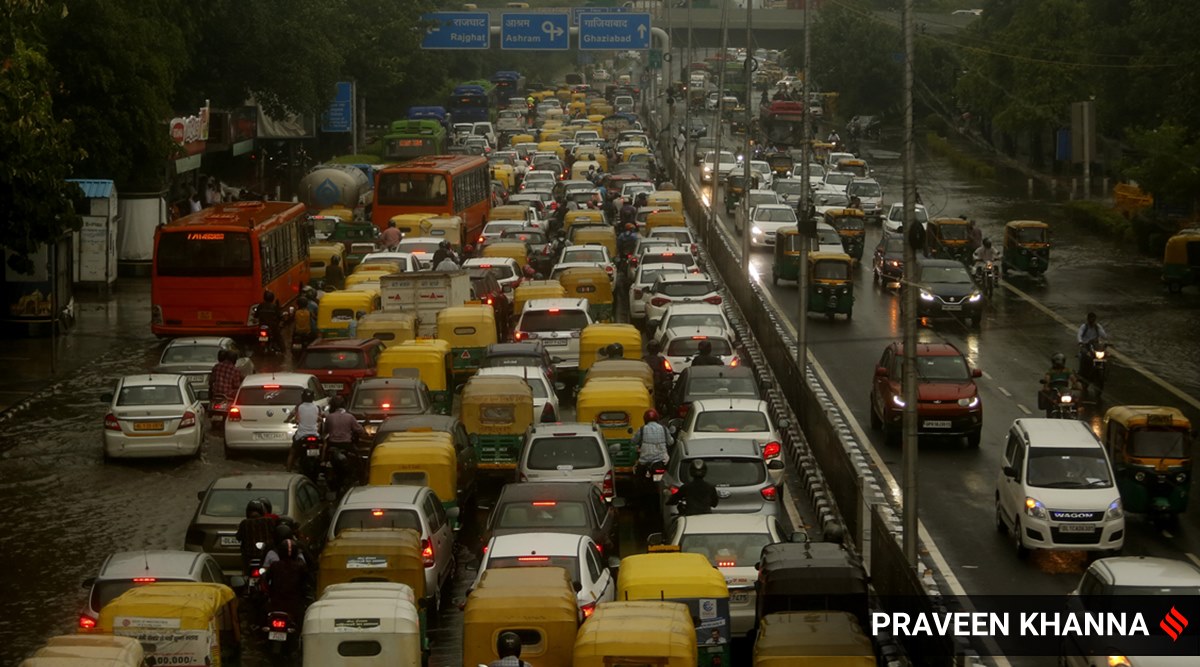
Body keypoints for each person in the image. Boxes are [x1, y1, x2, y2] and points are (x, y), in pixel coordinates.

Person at [323, 395, 365, 491]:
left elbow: (326, 430)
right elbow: (360, 430)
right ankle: (362, 481)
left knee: (323, 462)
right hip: (346, 445)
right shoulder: (349, 417)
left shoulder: (330, 417)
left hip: (332, 445)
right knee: (360, 461)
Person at [263, 539, 307, 626]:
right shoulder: (301, 566)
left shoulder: (274, 566)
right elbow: (307, 583)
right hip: (294, 605)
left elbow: (265, 581)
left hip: (276, 603)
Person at [235, 499, 277, 577]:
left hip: (248, 558)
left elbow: (238, 537)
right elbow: (276, 534)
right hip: (265, 556)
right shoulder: (269, 521)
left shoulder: (244, 523)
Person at [286, 390, 323, 473]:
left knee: (292, 452)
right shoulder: (317, 407)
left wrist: (287, 420)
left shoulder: (299, 407)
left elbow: (293, 416)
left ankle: (288, 471)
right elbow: (320, 417)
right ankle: (322, 464)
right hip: (315, 434)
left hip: (301, 435)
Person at [642, 340, 673, 412]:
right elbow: (667, 372)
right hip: (655, 387)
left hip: (651, 387)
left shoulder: (644, 360)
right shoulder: (661, 360)